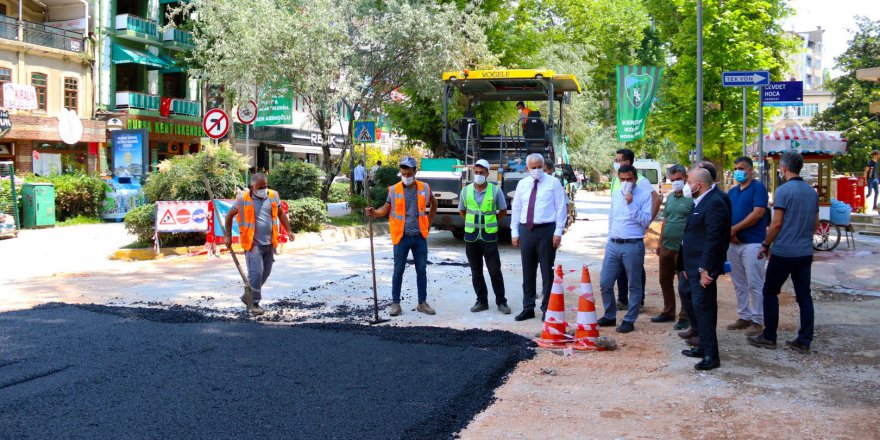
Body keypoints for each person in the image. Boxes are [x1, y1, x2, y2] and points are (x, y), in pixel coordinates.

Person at [748, 151, 818, 354]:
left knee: (770, 292)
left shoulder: (783, 191)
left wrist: (765, 244)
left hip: (784, 251)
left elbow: (776, 223)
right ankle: (804, 339)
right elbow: (814, 224)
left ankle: (769, 335)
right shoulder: (811, 192)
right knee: (804, 296)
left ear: (785, 168)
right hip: (804, 252)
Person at [365, 156, 438, 317]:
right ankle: (395, 303)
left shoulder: (425, 187)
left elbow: (434, 203)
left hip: (419, 236)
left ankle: (422, 303)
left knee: (422, 270)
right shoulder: (394, 189)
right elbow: (385, 208)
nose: (406, 176)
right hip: (401, 237)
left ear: (415, 172)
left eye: (409, 173)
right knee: (398, 271)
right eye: (403, 173)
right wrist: (374, 213)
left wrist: (429, 221)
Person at [678, 168, 731, 371]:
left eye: (688, 181)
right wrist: (684, 264)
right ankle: (702, 346)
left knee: (705, 308)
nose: (685, 185)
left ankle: (711, 355)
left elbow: (714, 239)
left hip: (703, 268)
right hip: (692, 265)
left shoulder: (715, 202)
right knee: (696, 304)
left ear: (698, 185)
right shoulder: (701, 201)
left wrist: (705, 268)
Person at [225, 173, 294, 316]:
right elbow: (229, 216)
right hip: (252, 244)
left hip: (270, 243)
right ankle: (254, 303)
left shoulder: (273, 195)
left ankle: (247, 296)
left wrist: (288, 230)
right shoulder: (242, 199)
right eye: (260, 187)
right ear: (252, 187)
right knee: (256, 273)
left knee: (265, 273)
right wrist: (228, 236)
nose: (264, 189)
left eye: (265, 186)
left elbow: (280, 214)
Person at [597, 164, 653, 333]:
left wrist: (631, 204)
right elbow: (612, 217)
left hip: (633, 244)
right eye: (622, 179)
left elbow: (645, 221)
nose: (626, 182)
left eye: (629, 179)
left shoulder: (644, 195)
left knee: (634, 285)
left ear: (635, 179)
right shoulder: (616, 194)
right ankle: (609, 315)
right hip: (613, 243)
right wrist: (609, 238)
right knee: (605, 282)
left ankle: (630, 319)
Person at [511, 153, 567, 321]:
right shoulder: (522, 184)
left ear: (544, 167)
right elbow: (517, 208)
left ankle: (547, 308)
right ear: (527, 168)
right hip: (527, 230)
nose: (536, 170)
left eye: (539, 167)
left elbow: (561, 208)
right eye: (532, 168)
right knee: (528, 272)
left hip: (546, 231)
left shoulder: (553, 183)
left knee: (546, 272)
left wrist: (558, 231)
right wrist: (515, 232)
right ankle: (528, 307)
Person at [458, 159, 511, 314]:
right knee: (476, 272)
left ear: (488, 174)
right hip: (471, 238)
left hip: (489, 238)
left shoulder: (495, 191)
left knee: (495, 271)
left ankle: (501, 302)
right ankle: (481, 301)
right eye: (477, 172)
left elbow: (503, 211)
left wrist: (491, 220)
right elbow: (462, 211)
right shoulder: (466, 191)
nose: (479, 175)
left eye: (482, 173)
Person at [610, 149, 660, 311]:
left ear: (628, 162)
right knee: (619, 269)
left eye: (619, 160)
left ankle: (638, 301)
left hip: (634, 231)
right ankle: (622, 299)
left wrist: (647, 222)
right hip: (618, 231)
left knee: (635, 269)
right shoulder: (616, 180)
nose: (616, 162)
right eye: (616, 159)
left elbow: (656, 199)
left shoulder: (641, 181)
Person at [726, 157, 769, 336]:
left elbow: (758, 213)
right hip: (734, 243)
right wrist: (732, 233)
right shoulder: (733, 192)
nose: (739, 171)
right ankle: (744, 316)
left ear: (751, 170)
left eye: (742, 168)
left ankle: (758, 320)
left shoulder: (758, 188)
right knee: (739, 283)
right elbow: (726, 214)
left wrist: (734, 229)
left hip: (753, 243)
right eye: (736, 168)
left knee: (755, 283)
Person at [651, 165, 694, 330]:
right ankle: (668, 312)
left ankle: (685, 316)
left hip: (683, 248)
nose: (675, 182)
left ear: (685, 177)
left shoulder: (691, 198)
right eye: (673, 180)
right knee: (664, 280)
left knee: (683, 283)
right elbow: (665, 221)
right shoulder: (670, 198)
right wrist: (660, 242)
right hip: (667, 245)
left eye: (678, 179)